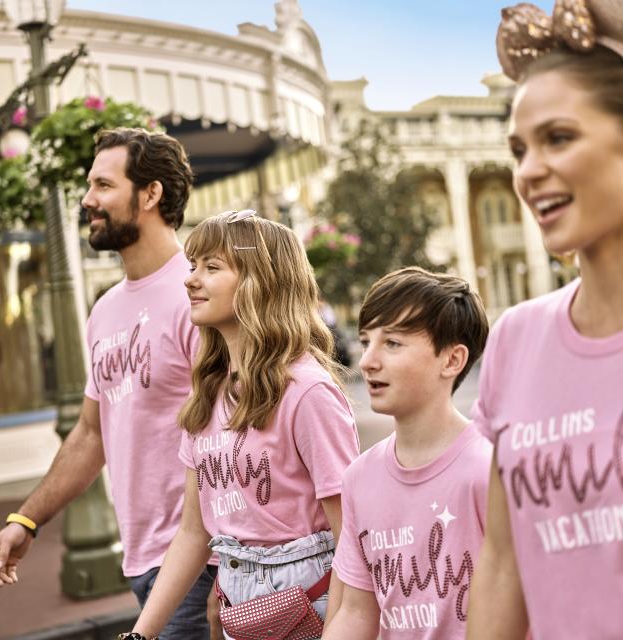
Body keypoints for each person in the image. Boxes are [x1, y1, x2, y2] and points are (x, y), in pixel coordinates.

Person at [0, 128, 217, 639]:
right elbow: (92, 434)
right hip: (140, 561)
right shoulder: (106, 310)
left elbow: (238, 435)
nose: (87, 199)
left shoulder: (196, 299)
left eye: (103, 185)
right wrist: (25, 520)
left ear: (150, 194)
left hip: (201, 565)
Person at [119, 210, 360, 640]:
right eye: (193, 266)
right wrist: (140, 635)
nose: (191, 280)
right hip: (238, 604)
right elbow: (193, 533)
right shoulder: (207, 397)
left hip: (312, 601)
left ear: (260, 283)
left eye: (212, 268)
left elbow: (352, 540)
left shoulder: (307, 393)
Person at [466, 3, 623, 639]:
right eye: (518, 148)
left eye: (558, 138)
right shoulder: (515, 339)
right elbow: (502, 565)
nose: (527, 171)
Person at [323, 266, 490, 640]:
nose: (367, 361)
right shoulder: (359, 478)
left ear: (452, 360)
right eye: (366, 342)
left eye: (393, 343)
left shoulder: (490, 469)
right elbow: (356, 610)